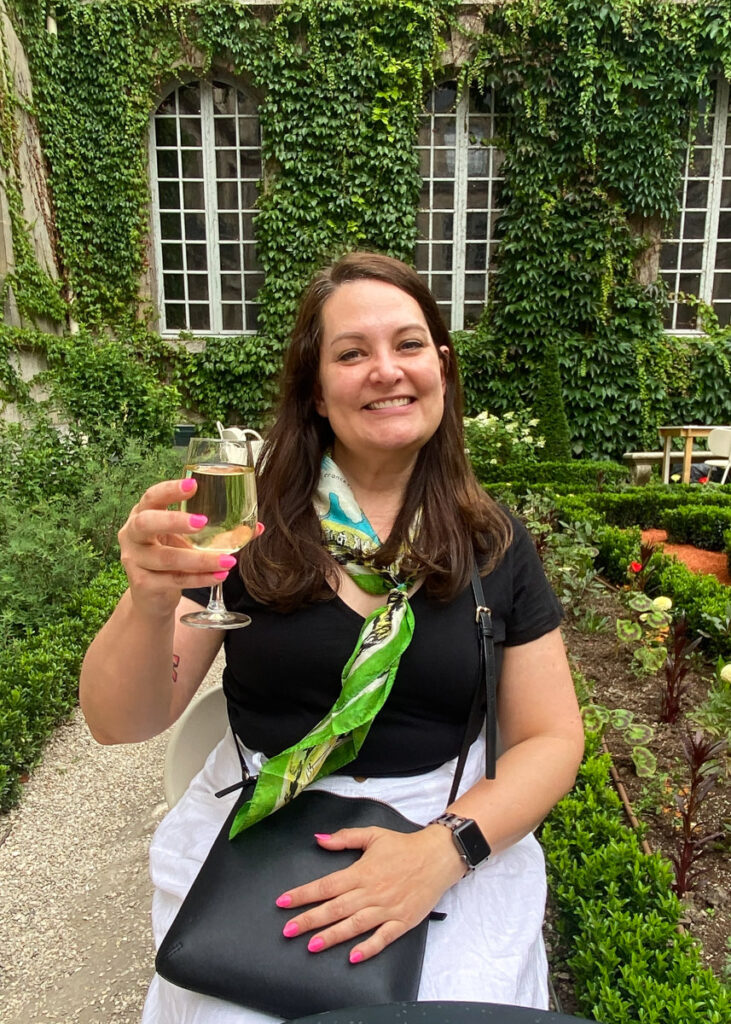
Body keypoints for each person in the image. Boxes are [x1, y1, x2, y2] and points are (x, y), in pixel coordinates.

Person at [80, 252, 584, 1023]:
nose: (386, 370)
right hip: (264, 831)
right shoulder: (248, 527)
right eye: (352, 353)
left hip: (445, 826)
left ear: (441, 370)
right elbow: (120, 724)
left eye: (409, 345)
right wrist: (148, 600)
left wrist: (440, 853)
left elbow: (549, 738)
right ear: (315, 391)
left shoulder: (492, 542)